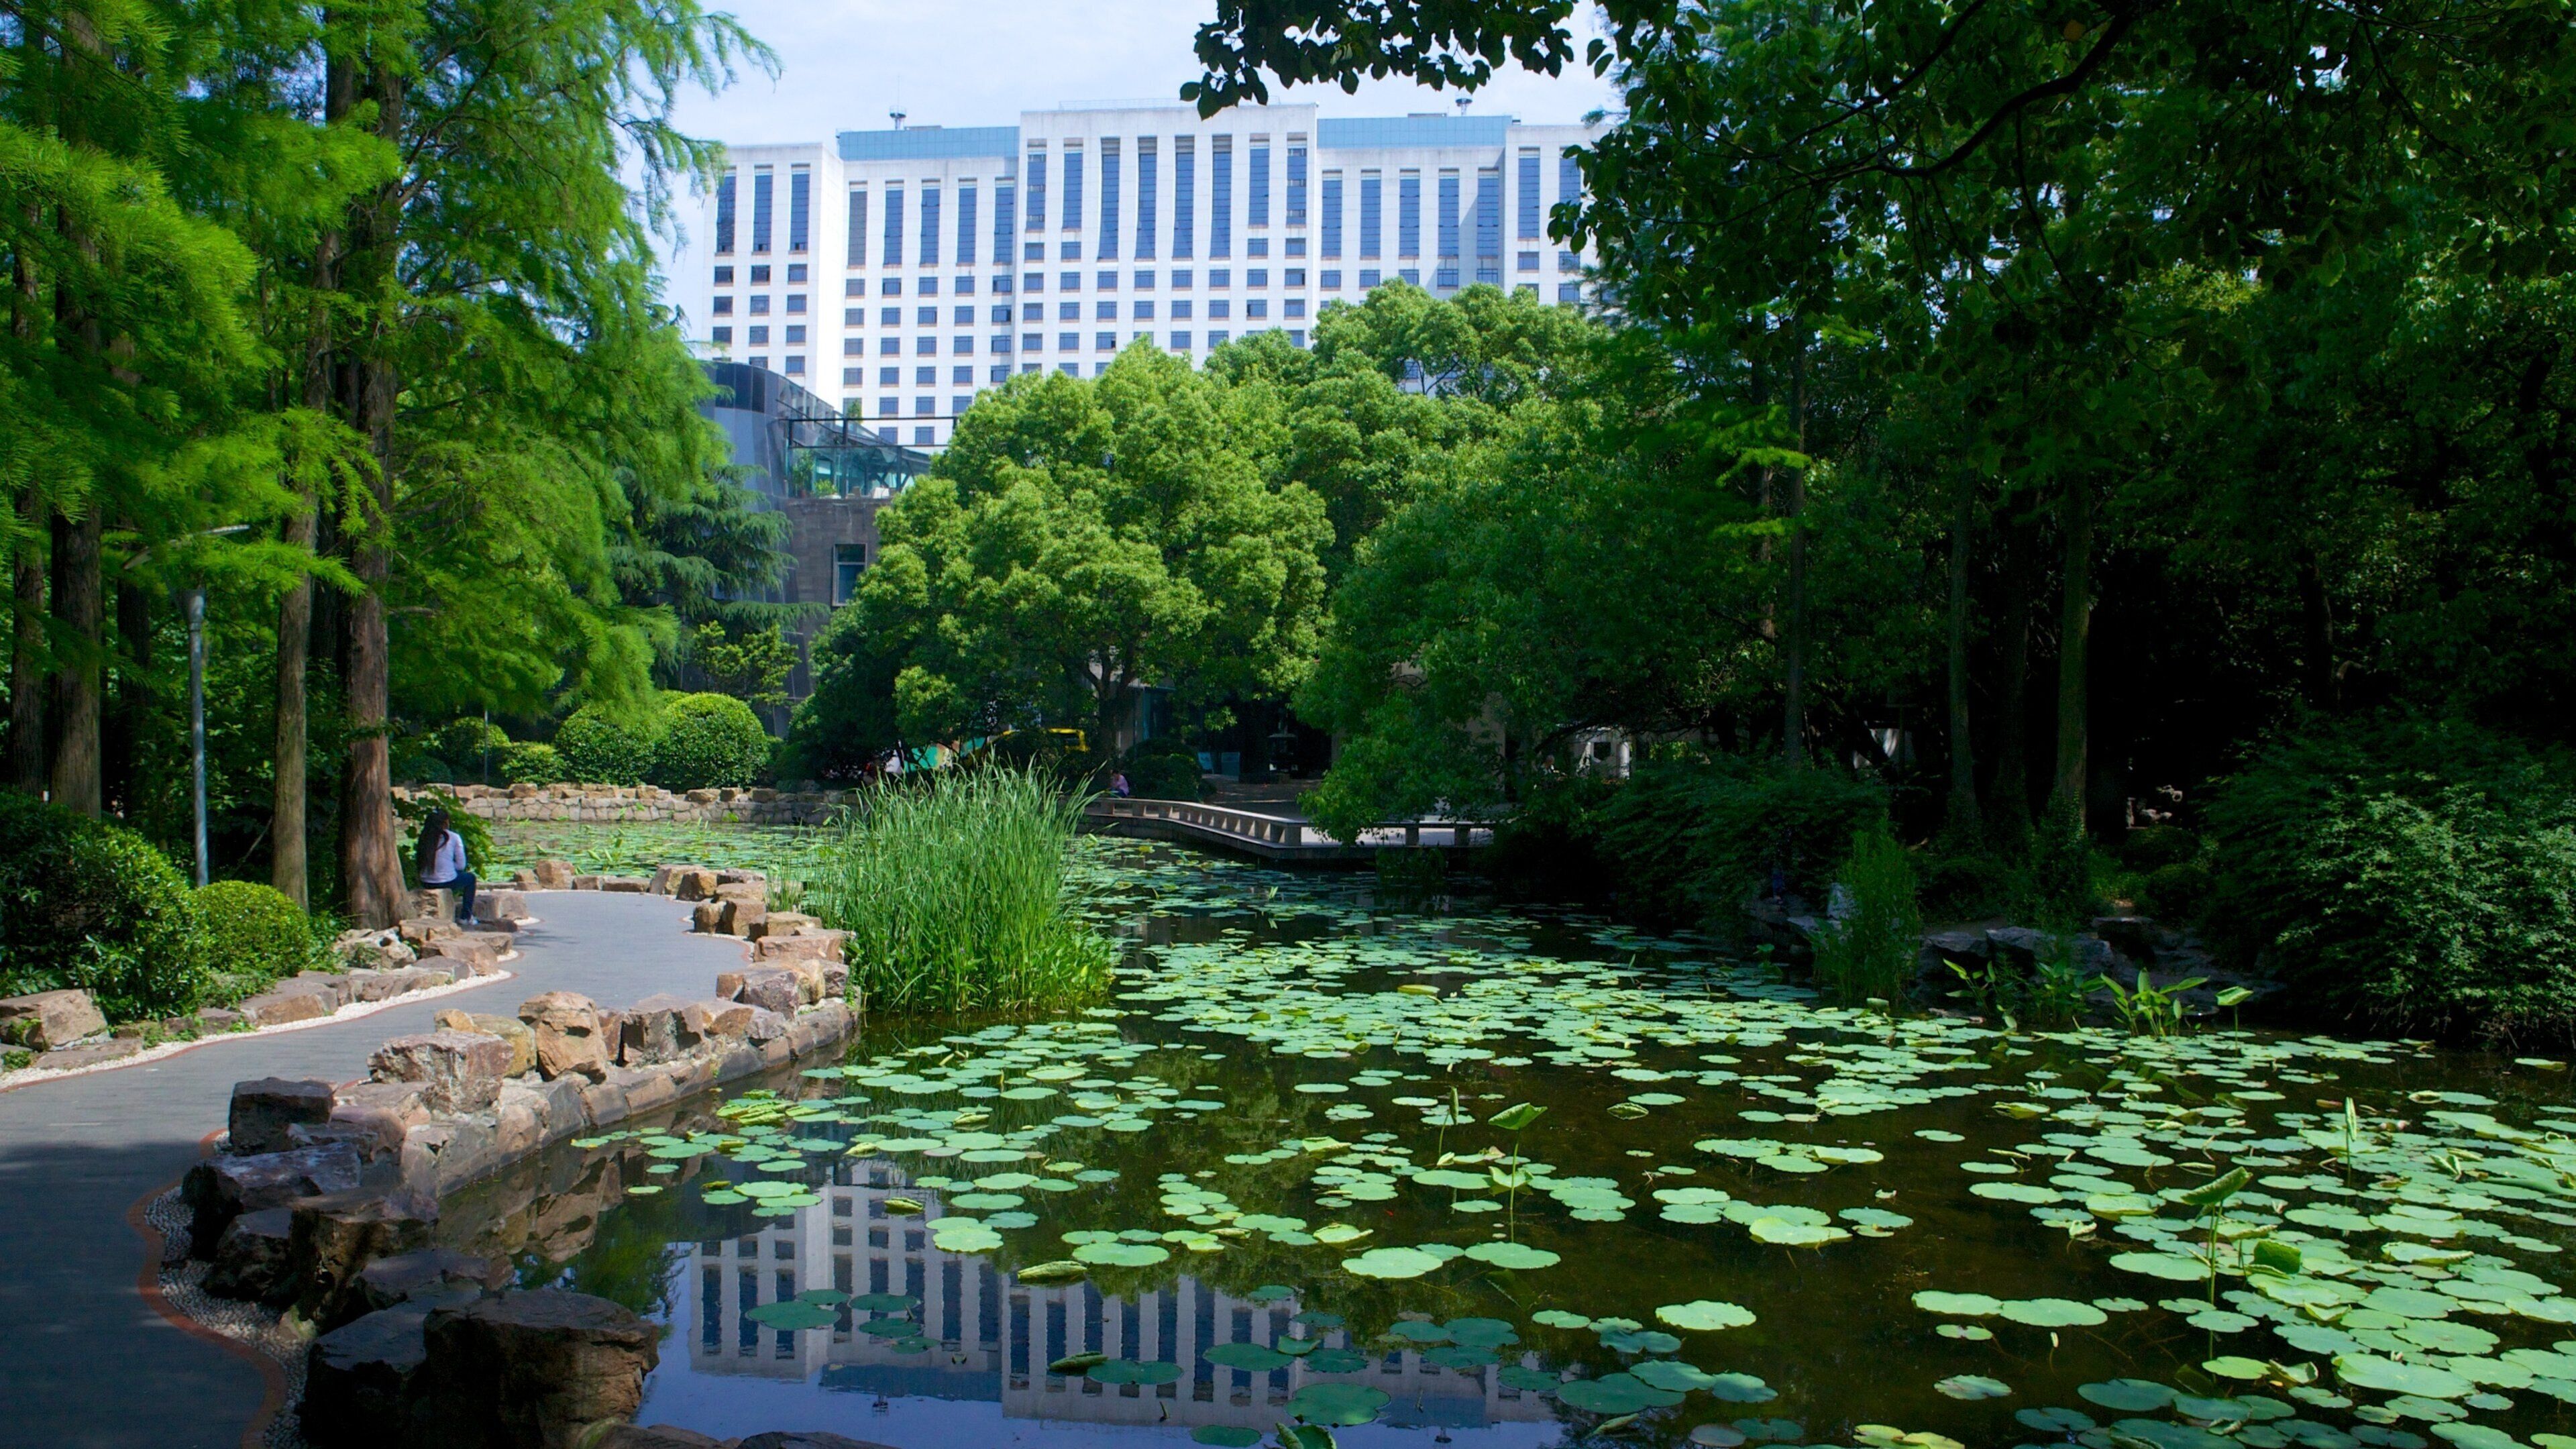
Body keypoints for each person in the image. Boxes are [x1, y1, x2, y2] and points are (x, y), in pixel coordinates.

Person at [415, 807, 477, 924]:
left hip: (426, 882)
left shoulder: (423, 837)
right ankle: (466, 916)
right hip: (446, 881)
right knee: (470, 879)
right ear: (446, 822)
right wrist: (449, 864)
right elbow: (461, 865)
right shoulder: (453, 837)